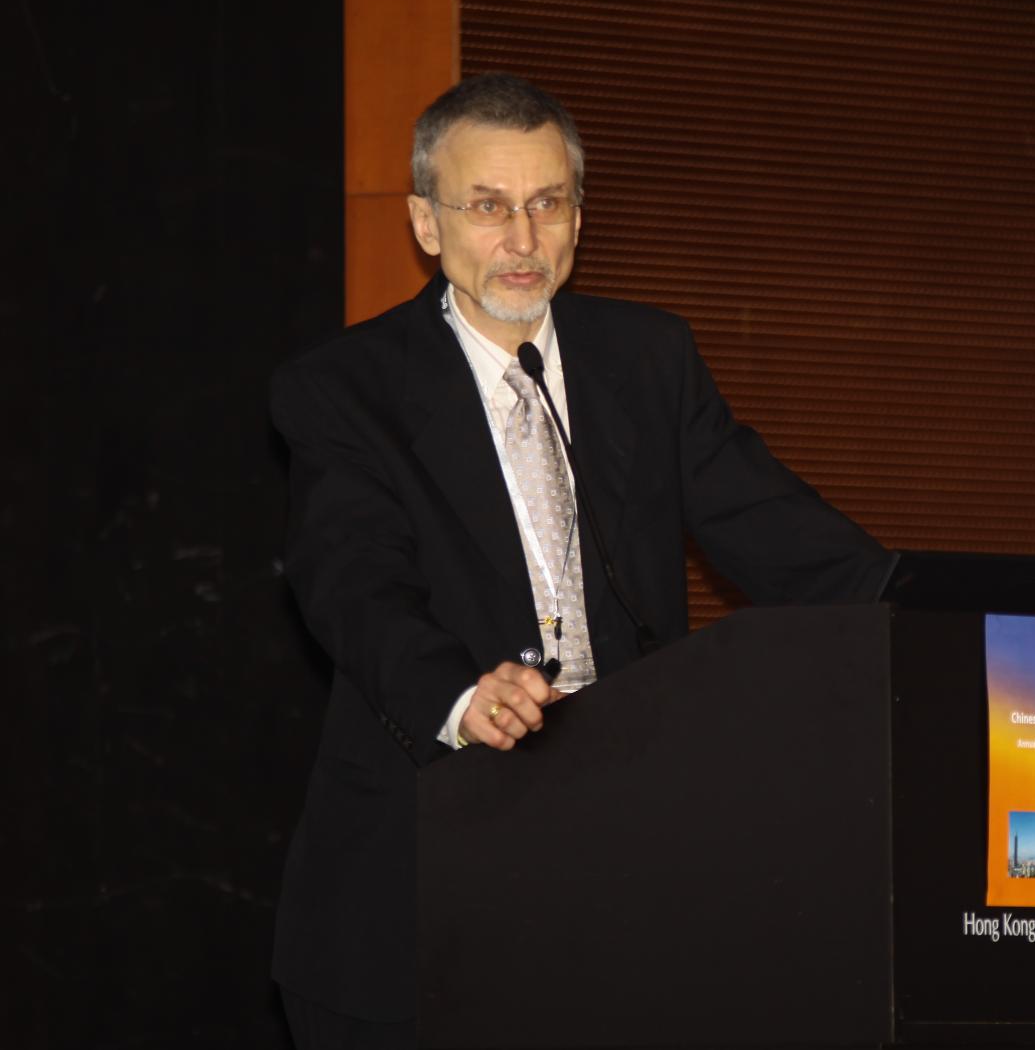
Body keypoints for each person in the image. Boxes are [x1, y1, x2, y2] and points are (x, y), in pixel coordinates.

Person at [269, 74, 888, 1047]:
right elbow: (352, 581)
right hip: (422, 885)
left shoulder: (647, 359)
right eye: (488, 207)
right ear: (427, 224)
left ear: (578, 218)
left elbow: (778, 535)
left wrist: (931, 610)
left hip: (628, 872)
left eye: (547, 203)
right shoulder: (346, 386)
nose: (523, 239)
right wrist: (461, 696)